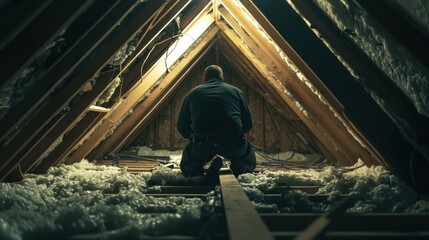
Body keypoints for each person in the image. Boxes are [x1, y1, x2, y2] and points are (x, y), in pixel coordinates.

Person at [177, 65, 256, 181]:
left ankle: (195, 170)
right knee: (248, 157)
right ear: (222, 78)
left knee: (188, 160)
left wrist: (192, 138)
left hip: (203, 145)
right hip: (232, 145)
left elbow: (182, 126)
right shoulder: (236, 92)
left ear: (204, 79)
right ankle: (240, 166)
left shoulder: (193, 93)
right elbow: (248, 124)